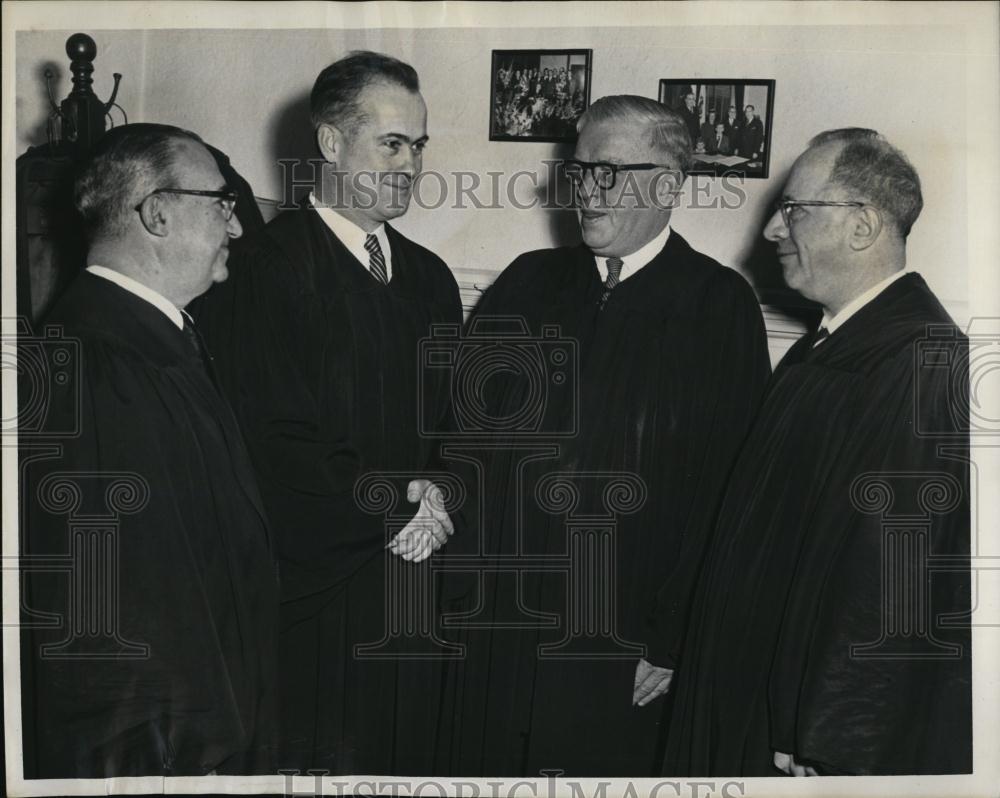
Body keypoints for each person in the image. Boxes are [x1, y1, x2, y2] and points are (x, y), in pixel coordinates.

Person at [439, 95, 771, 776]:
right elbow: (458, 439)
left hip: (620, 630)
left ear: (668, 184)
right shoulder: (528, 282)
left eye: (609, 173)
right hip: (497, 622)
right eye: (578, 171)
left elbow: (729, 494)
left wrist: (673, 637)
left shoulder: (717, 306)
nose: (585, 193)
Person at [663, 128, 971, 776]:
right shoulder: (828, 344)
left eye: (796, 210)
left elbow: (892, 581)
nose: (773, 229)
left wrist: (830, 743)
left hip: (798, 733)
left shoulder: (917, 359)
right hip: (757, 695)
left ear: (862, 226)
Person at [194, 51, 462, 775]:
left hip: (414, 581)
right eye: (392, 143)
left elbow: (455, 424)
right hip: (313, 593)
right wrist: (390, 509)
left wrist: (438, 493)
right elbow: (271, 433)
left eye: (418, 146)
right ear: (331, 143)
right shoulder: (264, 267)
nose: (409, 164)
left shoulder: (432, 278)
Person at [22, 123, 279, 778]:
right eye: (222, 204)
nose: (238, 227)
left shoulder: (162, 339)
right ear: (157, 213)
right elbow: (110, 628)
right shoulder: (90, 365)